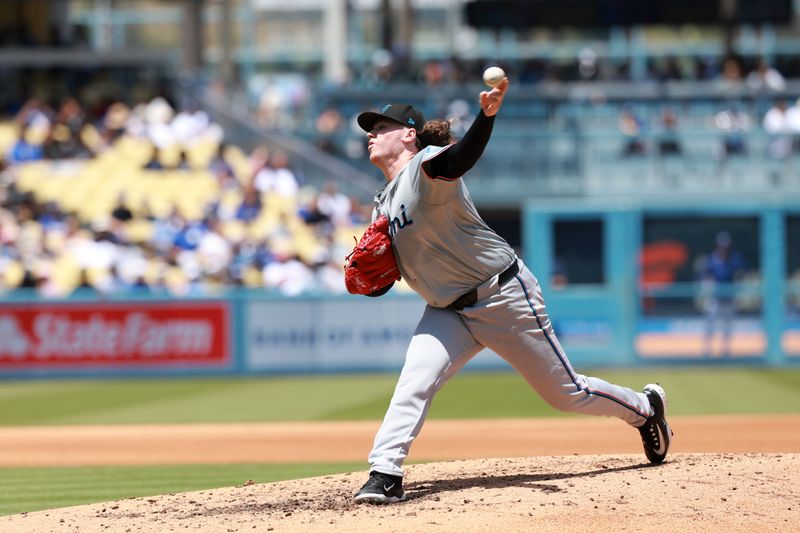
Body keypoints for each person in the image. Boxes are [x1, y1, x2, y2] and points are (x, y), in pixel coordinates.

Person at [351, 78, 672, 505]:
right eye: (369, 128)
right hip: (447, 310)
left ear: (409, 134)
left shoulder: (426, 166)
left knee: (567, 394)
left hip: (502, 296)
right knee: (414, 380)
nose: (371, 133)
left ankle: (646, 407)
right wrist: (371, 284)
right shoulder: (383, 202)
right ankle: (385, 472)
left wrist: (487, 117)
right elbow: (386, 280)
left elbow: (461, 157)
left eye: (381, 126)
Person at [699, 231, 746, 356]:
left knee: (728, 326)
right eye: (721, 246)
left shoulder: (734, 259)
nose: (724, 249)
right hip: (715, 298)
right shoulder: (711, 259)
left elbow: (741, 273)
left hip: (729, 298)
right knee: (710, 324)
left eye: (726, 246)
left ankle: (725, 350)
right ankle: (707, 349)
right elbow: (704, 275)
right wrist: (707, 286)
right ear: (717, 246)